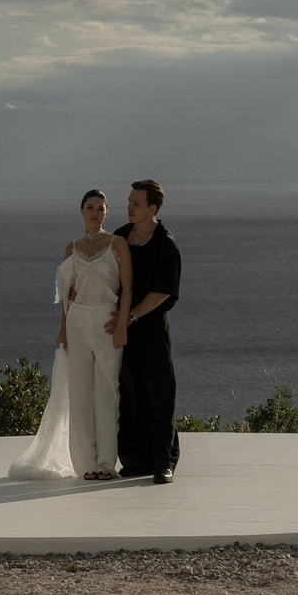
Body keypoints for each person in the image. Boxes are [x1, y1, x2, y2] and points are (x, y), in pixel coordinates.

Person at [8, 189, 133, 481]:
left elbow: (128, 288)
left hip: (106, 323)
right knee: (79, 394)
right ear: (81, 211)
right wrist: (62, 330)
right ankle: (86, 465)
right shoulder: (72, 248)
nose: (95, 213)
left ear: (106, 213)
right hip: (77, 323)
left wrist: (123, 324)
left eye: (100, 208)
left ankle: (106, 463)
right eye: (90, 207)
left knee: (106, 395)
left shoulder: (118, 245)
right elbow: (67, 297)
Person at [112, 179, 181, 483]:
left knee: (159, 394)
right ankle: (133, 461)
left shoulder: (165, 242)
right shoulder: (120, 236)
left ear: (152, 208)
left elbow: (164, 291)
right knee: (129, 394)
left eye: (136, 203)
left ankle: (163, 462)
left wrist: (133, 316)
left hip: (151, 329)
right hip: (122, 328)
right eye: (129, 202)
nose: (129, 207)